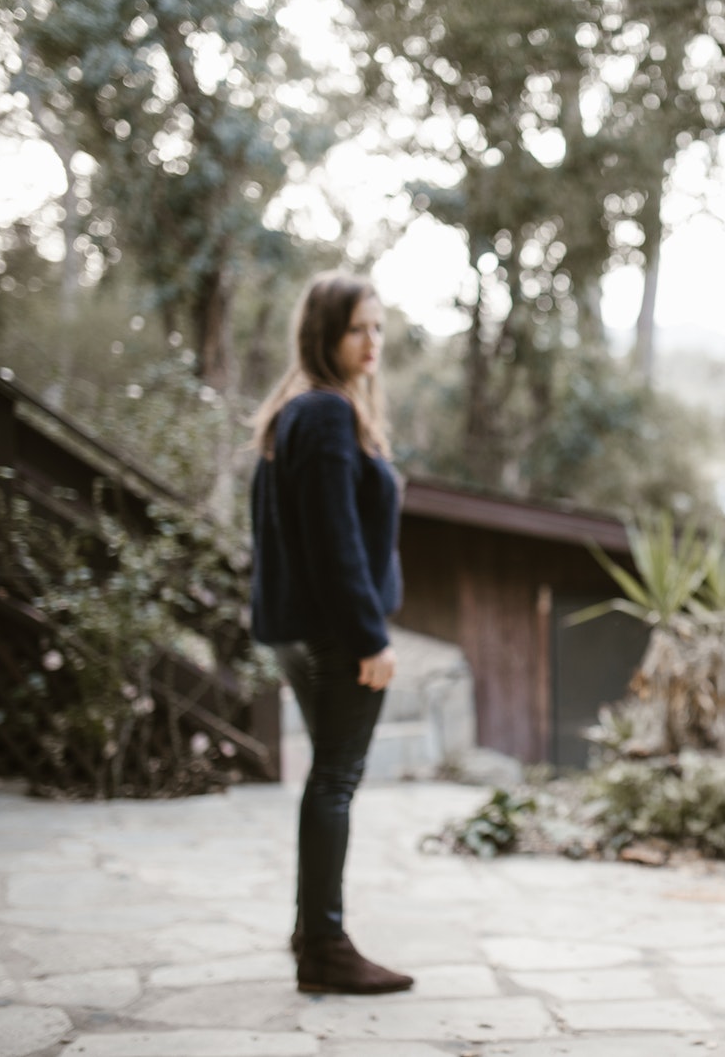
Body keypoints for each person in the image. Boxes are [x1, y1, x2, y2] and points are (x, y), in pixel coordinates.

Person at [249, 271, 412, 995]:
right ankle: (324, 945)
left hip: (309, 632)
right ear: (324, 335)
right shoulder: (322, 414)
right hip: (334, 636)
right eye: (357, 329)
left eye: (377, 327)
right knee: (335, 780)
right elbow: (333, 541)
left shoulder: (305, 410)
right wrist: (370, 637)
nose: (371, 341)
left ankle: (311, 929)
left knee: (328, 778)